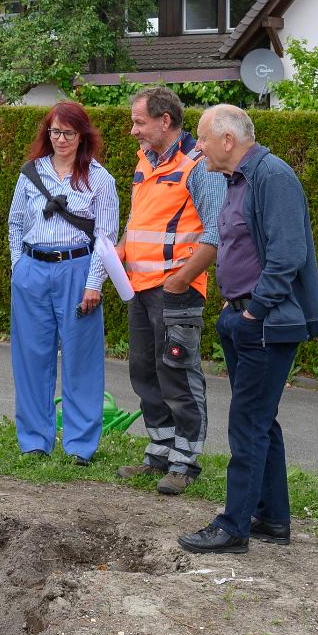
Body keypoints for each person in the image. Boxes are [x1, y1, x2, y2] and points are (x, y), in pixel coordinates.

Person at [177, 105, 318, 555]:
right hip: (244, 317)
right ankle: (273, 518)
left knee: (247, 424)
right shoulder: (237, 180)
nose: (197, 148)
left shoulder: (272, 176)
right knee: (262, 422)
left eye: (202, 139)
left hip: (266, 323)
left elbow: (287, 255)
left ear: (227, 139)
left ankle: (234, 526)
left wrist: (255, 310)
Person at [117, 87, 225, 496]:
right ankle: (159, 450)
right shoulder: (145, 160)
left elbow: (215, 233)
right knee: (144, 370)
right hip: (140, 289)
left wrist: (180, 280)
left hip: (177, 291)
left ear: (165, 121)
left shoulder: (199, 165)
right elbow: (139, 220)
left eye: (139, 122)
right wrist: (123, 249)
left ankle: (185, 461)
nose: (132, 131)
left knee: (178, 372)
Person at [5, 101, 118, 465]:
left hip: (77, 268)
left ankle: (80, 445)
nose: (61, 139)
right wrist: (18, 268)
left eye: (69, 133)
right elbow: (15, 224)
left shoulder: (100, 178)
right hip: (33, 269)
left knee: (81, 360)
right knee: (31, 358)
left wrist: (94, 283)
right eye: (55, 132)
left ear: (82, 134)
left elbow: (105, 237)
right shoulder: (30, 173)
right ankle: (35, 441)